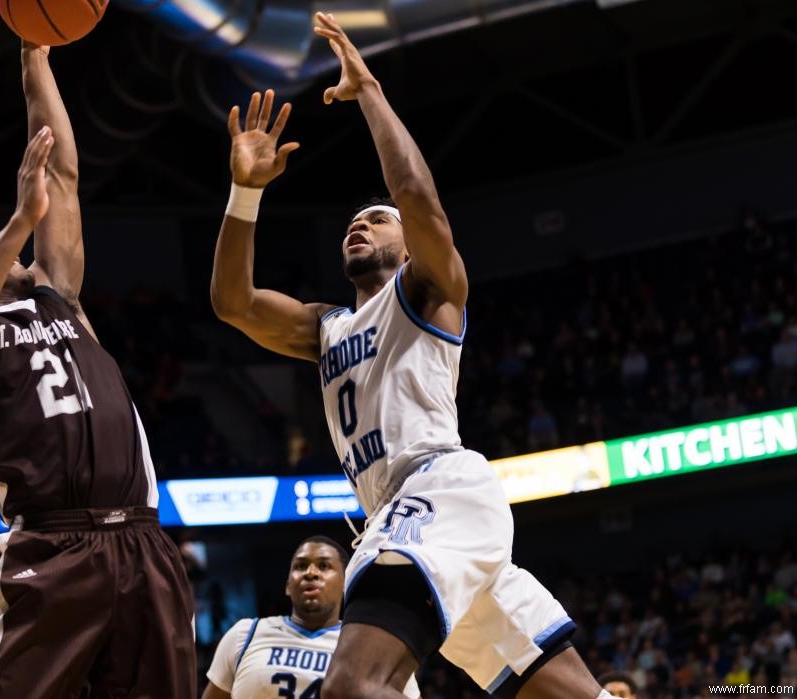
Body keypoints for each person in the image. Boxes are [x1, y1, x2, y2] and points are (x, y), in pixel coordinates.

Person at [210, 11, 611, 699]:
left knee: (351, 687)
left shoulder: (428, 291)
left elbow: (417, 197)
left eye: (375, 220)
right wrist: (246, 189)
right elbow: (233, 304)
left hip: (432, 492)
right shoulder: (326, 326)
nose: (359, 224)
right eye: (351, 223)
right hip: (414, 515)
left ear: (404, 242)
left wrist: (368, 92)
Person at [0, 44, 194, 698]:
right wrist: (14, 225)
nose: (13, 250)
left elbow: (59, 171)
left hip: (145, 542)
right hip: (53, 550)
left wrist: (34, 55)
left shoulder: (57, 295)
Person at [201, 536, 420, 699]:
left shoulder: (374, 647)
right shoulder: (246, 633)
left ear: (346, 584)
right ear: (288, 585)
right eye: (300, 566)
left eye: (324, 566)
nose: (311, 573)